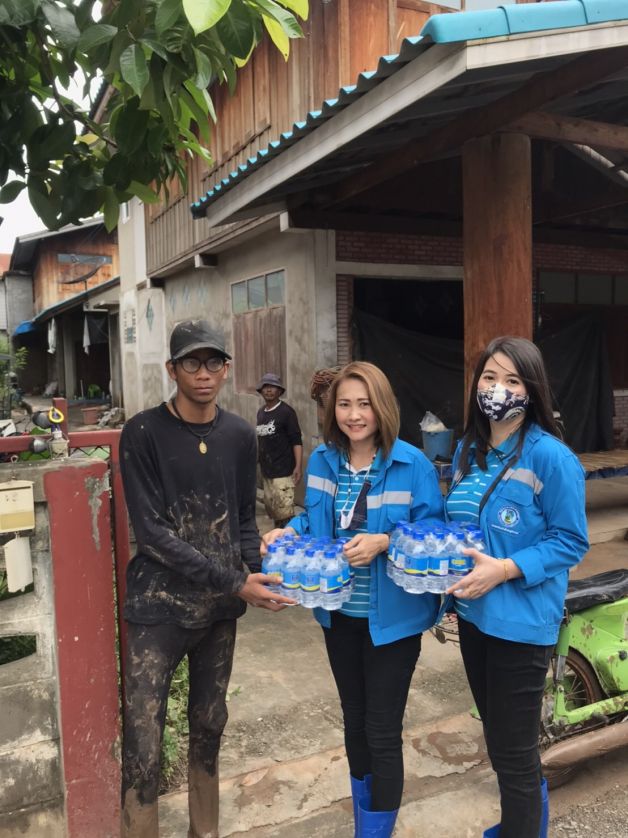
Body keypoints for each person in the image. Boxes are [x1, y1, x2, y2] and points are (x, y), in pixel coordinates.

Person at [119, 319, 294, 838]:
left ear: (226, 369)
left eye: (213, 361)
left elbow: (243, 518)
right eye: (191, 362)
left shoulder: (239, 435)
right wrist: (236, 581)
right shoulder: (143, 433)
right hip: (157, 608)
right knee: (143, 739)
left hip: (218, 610)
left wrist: (260, 575)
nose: (203, 373)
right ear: (172, 369)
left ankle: (205, 830)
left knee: (210, 723)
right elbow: (152, 534)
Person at [263, 361, 444, 838]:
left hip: (394, 622)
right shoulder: (323, 461)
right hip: (339, 615)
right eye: (344, 404)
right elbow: (313, 520)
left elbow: (434, 533)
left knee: (382, 730)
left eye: (364, 404)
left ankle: (377, 830)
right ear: (332, 410)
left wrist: (385, 541)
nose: (354, 414)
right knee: (354, 723)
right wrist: (290, 531)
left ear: (382, 407)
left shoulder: (412, 464)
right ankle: (368, 822)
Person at [444, 336, 589, 838]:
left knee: (515, 754)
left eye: (512, 380)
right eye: (489, 377)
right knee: (499, 741)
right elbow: (461, 528)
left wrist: (504, 569)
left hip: (521, 625)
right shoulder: (467, 450)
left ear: (532, 390)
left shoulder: (551, 458)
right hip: (474, 619)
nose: (498, 389)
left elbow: (570, 540)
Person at [256, 372, 303, 527]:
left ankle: (288, 538)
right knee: (273, 511)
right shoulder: (261, 413)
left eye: (273, 387)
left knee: (285, 513)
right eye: (265, 387)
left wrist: (298, 466)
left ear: (279, 391)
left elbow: (296, 441)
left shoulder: (286, 412)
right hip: (267, 472)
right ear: (261, 390)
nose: (269, 390)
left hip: (283, 472)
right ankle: (279, 537)